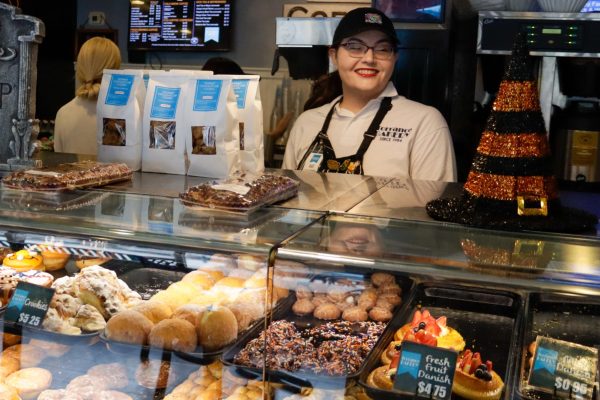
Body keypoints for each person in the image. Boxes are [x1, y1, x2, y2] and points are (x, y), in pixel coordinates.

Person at [282, 7, 456, 181]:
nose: (369, 58)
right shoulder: (306, 123)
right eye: (355, 47)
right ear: (333, 56)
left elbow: (434, 205)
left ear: (395, 57)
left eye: (382, 49)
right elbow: (286, 199)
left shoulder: (425, 123)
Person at [54, 37, 121, 155]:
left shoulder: (62, 113)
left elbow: (60, 165)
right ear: (115, 71)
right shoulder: (124, 114)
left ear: (80, 69)